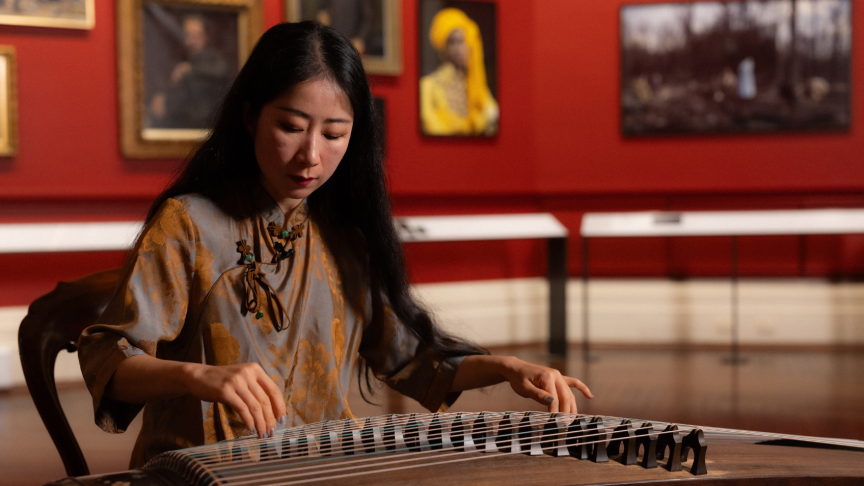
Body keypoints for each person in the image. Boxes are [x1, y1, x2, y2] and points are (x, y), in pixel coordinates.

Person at [78, 22, 590, 468]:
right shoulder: (189, 224)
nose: (310, 156)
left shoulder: (345, 239)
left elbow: (410, 359)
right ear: (250, 116)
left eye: (335, 134)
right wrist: (198, 377)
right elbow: (109, 359)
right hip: (201, 472)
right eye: (291, 127)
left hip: (316, 467)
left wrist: (506, 367)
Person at [420, 8, 498, 136]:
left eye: (463, 41)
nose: (459, 48)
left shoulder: (476, 86)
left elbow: (493, 117)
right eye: (453, 42)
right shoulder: (427, 85)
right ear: (443, 47)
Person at [149, 15, 231, 129]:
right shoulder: (184, 59)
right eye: (188, 35)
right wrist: (164, 98)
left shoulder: (213, 59)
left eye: (196, 36)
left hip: (203, 125)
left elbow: (218, 73)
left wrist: (189, 70)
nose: (192, 41)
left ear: (206, 37)